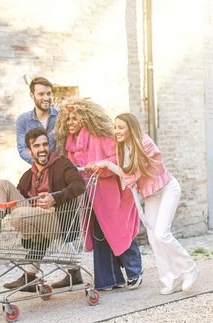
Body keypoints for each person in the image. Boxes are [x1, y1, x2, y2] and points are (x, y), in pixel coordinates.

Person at [95, 113, 199, 295]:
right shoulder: (123, 148)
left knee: (162, 234)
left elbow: (130, 174)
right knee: (153, 238)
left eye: (121, 127)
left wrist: (106, 164)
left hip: (167, 189)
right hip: (151, 195)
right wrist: (106, 163)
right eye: (115, 127)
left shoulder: (145, 144)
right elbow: (126, 174)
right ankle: (172, 279)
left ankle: (189, 268)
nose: (116, 131)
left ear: (131, 128)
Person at [0, 127, 86, 291]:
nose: (42, 149)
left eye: (45, 145)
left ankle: (31, 275)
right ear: (29, 150)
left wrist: (55, 198)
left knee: (18, 214)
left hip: (57, 219)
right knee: (1, 184)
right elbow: (17, 198)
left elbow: (80, 184)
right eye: (37, 146)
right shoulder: (28, 175)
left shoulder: (61, 165)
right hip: (32, 220)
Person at [53, 98, 143, 290]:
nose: (70, 122)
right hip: (89, 196)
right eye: (67, 119)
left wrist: (101, 165)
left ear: (85, 119)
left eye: (75, 118)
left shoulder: (100, 137)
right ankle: (108, 279)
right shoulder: (70, 146)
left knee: (119, 231)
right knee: (99, 234)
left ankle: (135, 271)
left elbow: (118, 159)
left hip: (110, 195)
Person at [16, 77, 59, 164]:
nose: (46, 98)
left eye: (49, 93)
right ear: (32, 96)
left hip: (60, 168)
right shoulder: (23, 120)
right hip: (38, 169)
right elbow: (22, 149)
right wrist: (41, 164)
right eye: (41, 94)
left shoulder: (61, 116)